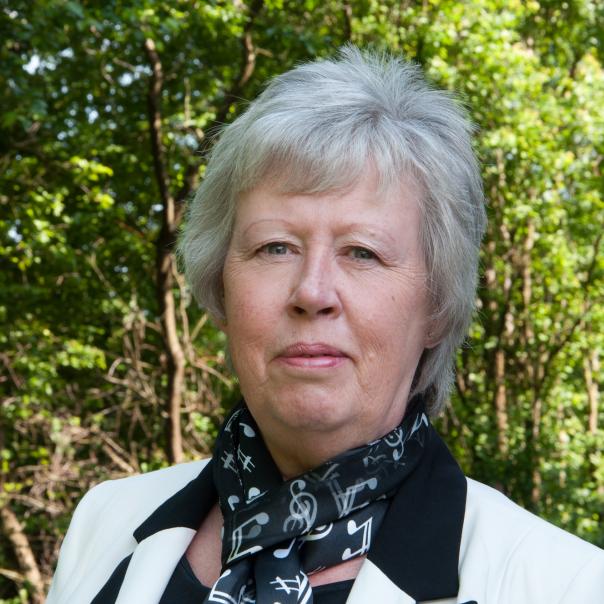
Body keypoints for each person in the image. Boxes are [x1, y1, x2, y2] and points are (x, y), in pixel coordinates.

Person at [47, 46, 604, 604]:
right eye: (275, 247)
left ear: (437, 307)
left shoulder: (566, 584)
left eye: (362, 252)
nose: (312, 292)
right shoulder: (104, 522)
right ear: (221, 287)